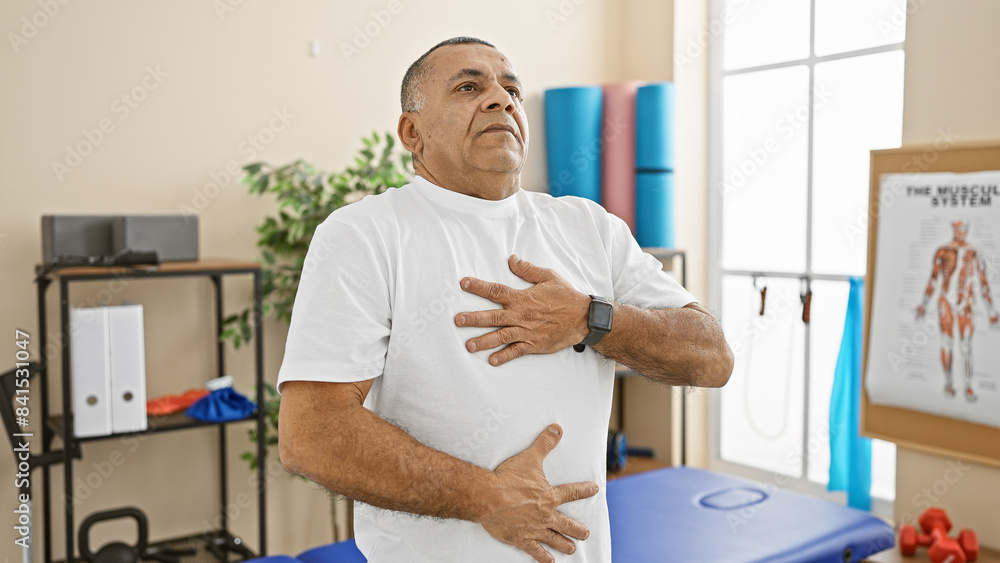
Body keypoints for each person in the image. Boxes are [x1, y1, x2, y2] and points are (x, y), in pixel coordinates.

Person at [276, 36, 734, 563]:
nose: (501, 99)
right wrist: (488, 498)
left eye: (511, 89)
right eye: (468, 88)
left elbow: (712, 358)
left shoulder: (589, 227)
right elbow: (312, 434)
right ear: (412, 133)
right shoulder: (366, 233)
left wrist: (590, 319)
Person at [916, 219, 999, 401]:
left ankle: (968, 385)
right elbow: (933, 279)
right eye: (959, 228)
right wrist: (923, 303)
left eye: (964, 228)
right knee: (947, 342)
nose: (962, 231)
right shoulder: (942, 251)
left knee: (966, 345)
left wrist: (991, 310)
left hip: (966, 302)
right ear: (953, 228)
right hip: (946, 300)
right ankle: (948, 382)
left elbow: (983, 281)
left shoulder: (975, 252)